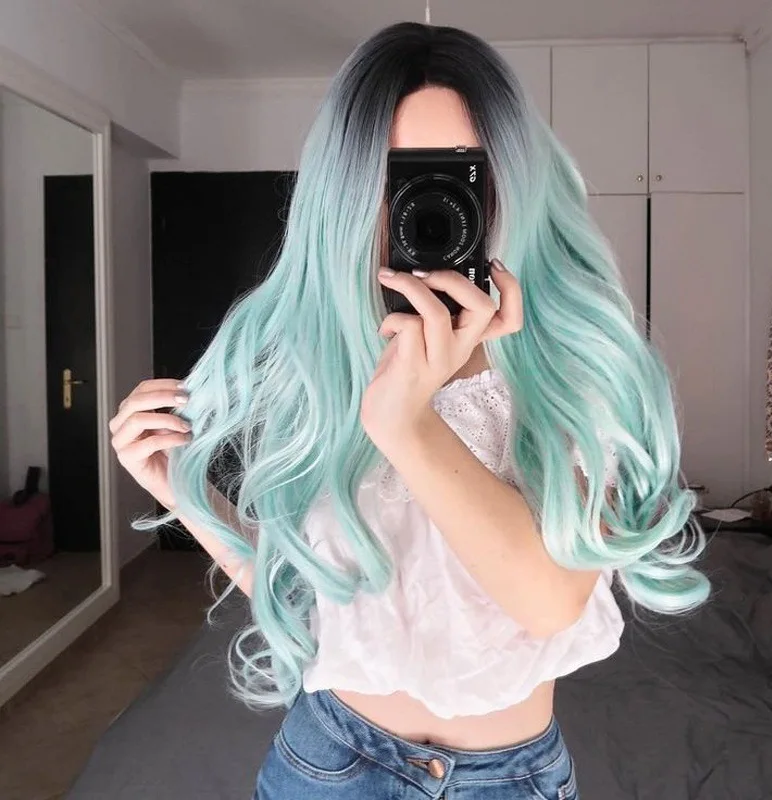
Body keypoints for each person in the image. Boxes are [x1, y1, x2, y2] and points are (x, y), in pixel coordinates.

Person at [109, 21, 710, 800]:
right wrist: (187, 493)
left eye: (457, 174)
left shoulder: (572, 359)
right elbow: (319, 601)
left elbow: (549, 602)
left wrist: (407, 424)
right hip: (326, 761)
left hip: (508, 780)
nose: (426, 206)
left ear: (510, 180)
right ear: (347, 190)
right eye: (396, 177)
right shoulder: (324, 365)